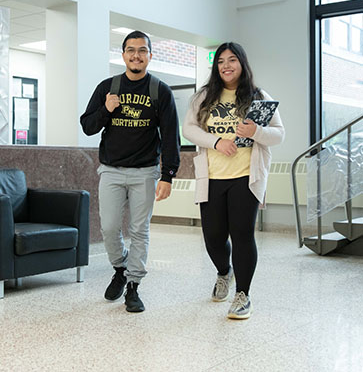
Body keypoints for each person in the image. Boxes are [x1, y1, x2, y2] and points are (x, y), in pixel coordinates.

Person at [183, 42, 284, 319]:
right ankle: (223, 272)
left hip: (246, 176)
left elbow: (279, 133)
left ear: (242, 63)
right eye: (221, 61)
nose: (226, 66)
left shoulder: (258, 95)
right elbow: (189, 128)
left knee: (242, 235)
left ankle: (243, 294)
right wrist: (216, 142)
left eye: (232, 60)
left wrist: (257, 131)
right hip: (212, 176)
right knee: (213, 238)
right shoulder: (203, 96)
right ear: (216, 67)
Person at [80, 30, 180, 312]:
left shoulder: (160, 91)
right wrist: (106, 110)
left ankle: (134, 286)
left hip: (145, 173)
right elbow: (87, 126)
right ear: (123, 55)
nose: (136, 55)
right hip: (110, 171)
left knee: (139, 230)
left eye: (142, 50)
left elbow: (171, 136)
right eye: (131, 50)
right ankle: (120, 268)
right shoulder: (107, 87)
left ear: (150, 55)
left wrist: (168, 175)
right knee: (109, 227)